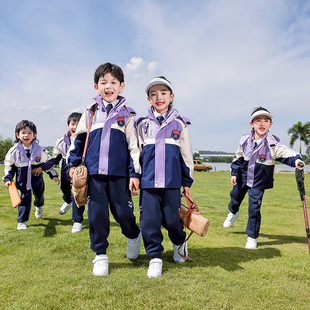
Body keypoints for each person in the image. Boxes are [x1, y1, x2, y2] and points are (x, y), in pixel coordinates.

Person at [67, 63, 141, 276]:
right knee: (97, 215)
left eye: (113, 82)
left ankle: (134, 235)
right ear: (96, 86)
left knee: (123, 214)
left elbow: (134, 147)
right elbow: (78, 140)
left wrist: (134, 174)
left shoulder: (128, 114)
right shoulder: (90, 113)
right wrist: (73, 164)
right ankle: (100, 255)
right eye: (103, 82)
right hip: (94, 175)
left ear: (122, 86)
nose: (108, 86)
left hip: (119, 175)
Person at [223, 107, 305, 249]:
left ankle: (252, 237)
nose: (262, 123)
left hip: (259, 179)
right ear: (252, 124)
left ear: (270, 124)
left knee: (254, 207)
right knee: (235, 196)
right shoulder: (244, 140)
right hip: (243, 176)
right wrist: (234, 173)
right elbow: (237, 157)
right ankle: (233, 212)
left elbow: (286, 153)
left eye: (266, 120)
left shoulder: (273, 144)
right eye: (258, 120)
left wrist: (297, 160)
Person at [137, 76, 194, 278]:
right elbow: (136, 153)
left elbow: (186, 156)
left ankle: (179, 243)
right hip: (148, 182)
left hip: (172, 182)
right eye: (153, 94)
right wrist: (134, 176)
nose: (158, 97)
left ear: (171, 97)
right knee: (149, 221)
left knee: (172, 219)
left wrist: (187, 182)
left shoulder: (180, 124)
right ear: (148, 99)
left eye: (163, 93)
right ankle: (155, 257)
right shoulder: (141, 124)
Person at [32, 112, 85, 233]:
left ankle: (77, 221)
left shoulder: (86, 138)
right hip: (66, 166)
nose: (75, 127)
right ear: (68, 125)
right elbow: (56, 159)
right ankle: (68, 201)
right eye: (73, 124)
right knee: (64, 188)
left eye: (78, 124)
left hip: (80, 167)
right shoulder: (62, 140)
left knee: (78, 194)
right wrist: (43, 167)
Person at [3, 120, 59, 230]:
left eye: (29, 133)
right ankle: (22, 221)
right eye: (23, 132)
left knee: (39, 196)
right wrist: (8, 179)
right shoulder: (13, 151)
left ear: (34, 135)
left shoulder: (40, 150)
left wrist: (54, 175)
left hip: (37, 181)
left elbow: (47, 164)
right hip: (23, 182)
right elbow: (9, 166)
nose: (26, 135)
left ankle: (39, 206)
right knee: (24, 199)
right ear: (17, 135)